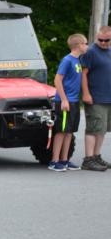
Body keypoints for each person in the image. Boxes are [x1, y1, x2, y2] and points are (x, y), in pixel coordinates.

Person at [49, 33, 88, 171]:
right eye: (85, 43)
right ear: (78, 45)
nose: (87, 46)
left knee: (69, 131)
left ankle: (65, 160)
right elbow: (57, 80)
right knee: (61, 131)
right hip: (64, 101)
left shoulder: (78, 60)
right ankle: (54, 161)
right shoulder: (67, 60)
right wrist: (64, 99)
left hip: (74, 101)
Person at [80, 25, 111, 171]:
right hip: (95, 97)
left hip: (108, 97)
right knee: (93, 128)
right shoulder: (90, 52)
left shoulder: (109, 51)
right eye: (101, 40)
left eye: (107, 40)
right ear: (97, 37)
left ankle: (97, 156)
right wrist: (86, 93)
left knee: (102, 129)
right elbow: (83, 74)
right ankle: (88, 159)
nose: (104, 43)